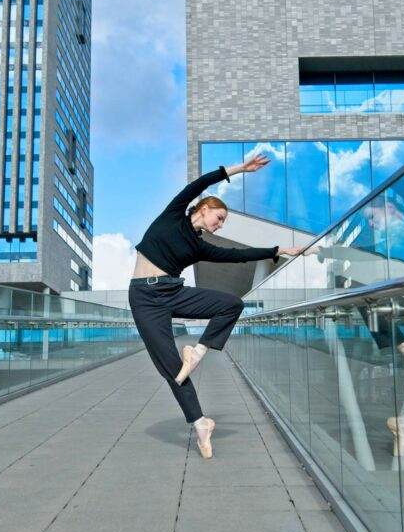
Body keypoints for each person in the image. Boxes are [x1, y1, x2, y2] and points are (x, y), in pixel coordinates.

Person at [129, 154, 302, 459]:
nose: (220, 226)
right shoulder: (174, 215)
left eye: (223, 223)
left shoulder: (199, 246)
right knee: (173, 371)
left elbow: (236, 256)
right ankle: (200, 425)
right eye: (219, 219)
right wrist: (240, 169)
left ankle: (199, 351)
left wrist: (276, 250)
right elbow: (201, 182)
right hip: (143, 299)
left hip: (171, 292)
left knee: (231, 304)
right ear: (205, 209)